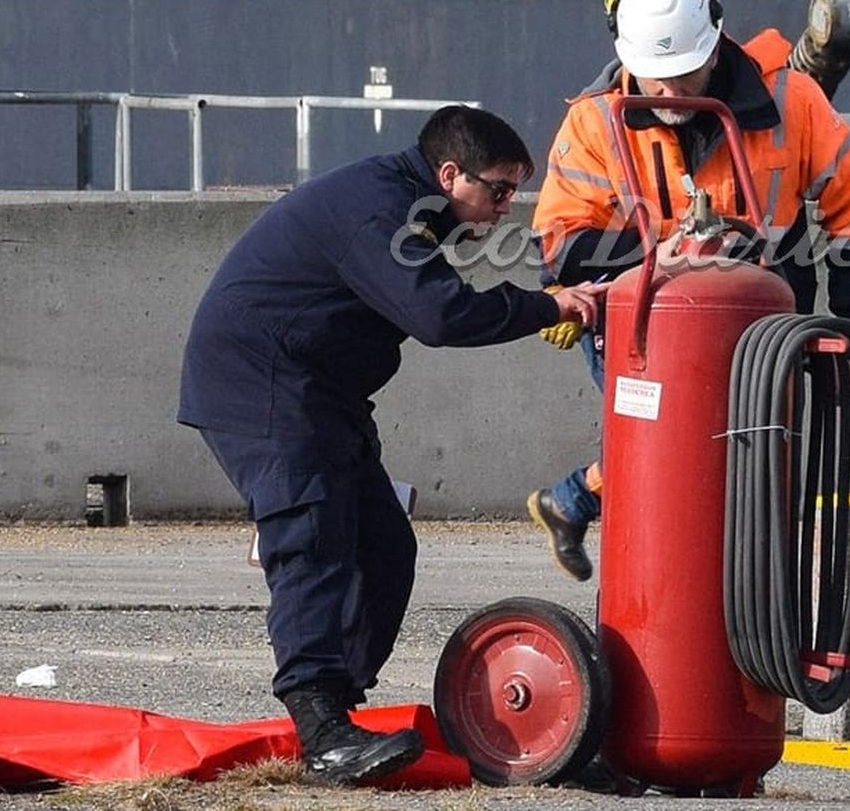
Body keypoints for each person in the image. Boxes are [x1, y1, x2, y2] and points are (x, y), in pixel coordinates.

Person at [177, 105, 603, 786]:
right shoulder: (378, 211)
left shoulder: (414, 208)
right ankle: (321, 729)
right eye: (496, 191)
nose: (503, 209)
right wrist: (547, 304)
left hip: (320, 392)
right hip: (261, 385)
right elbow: (439, 314)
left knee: (382, 546)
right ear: (449, 173)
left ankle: (336, 714)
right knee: (312, 541)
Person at [527, 0, 850, 581]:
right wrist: (649, 259)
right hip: (640, 324)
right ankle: (606, 531)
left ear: (716, 45)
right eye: (655, 79)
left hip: (762, 328)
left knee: (725, 452)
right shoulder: (596, 121)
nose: (668, 95)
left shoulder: (791, 101)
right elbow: (560, 241)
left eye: (683, 75)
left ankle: (578, 502)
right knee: (678, 443)